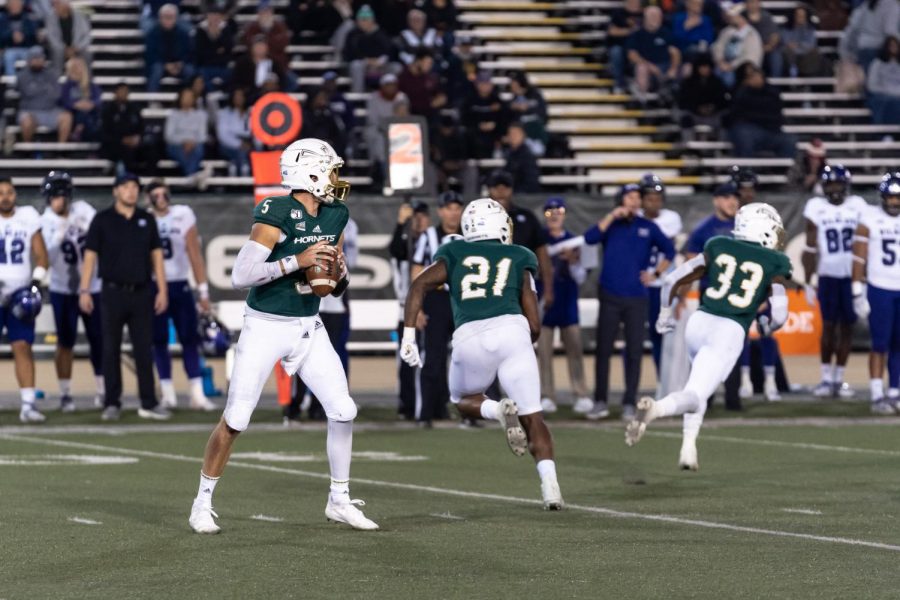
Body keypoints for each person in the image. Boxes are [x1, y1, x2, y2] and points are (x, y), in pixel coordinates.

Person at [188, 138, 378, 534]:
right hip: (266, 325)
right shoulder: (277, 210)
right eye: (330, 169)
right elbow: (241, 275)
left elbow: (332, 287)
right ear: (308, 172)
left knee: (343, 410)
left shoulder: (336, 214)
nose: (336, 177)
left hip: (308, 326)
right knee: (237, 418)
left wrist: (337, 272)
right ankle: (201, 503)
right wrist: (297, 260)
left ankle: (339, 499)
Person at [399, 198, 564, 510]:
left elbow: (418, 286)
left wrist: (408, 335)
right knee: (533, 415)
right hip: (514, 330)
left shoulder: (454, 250)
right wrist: (522, 344)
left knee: (462, 400)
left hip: (471, 335)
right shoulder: (520, 255)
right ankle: (550, 485)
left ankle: (497, 411)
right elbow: (535, 322)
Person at [627, 203, 792, 471]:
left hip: (699, 322)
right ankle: (656, 409)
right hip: (727, 331)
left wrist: (664, 314)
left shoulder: (718, 244)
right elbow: (781, 313)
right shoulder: (775, 262)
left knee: (699, 386)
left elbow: (672, 280)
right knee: (695, 393)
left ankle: (688, 448)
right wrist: (766, 326)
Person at [79, 173, 172, 423]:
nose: (131, 191)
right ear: (115, 191)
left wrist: (162, 289)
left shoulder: (146, 219)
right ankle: (112, 402)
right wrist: (85, 289)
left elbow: (156, 256)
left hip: (142, 291)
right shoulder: (102, 220)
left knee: (144, 348)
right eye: (125, 187)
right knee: (110, 348)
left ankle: (148, 402)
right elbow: (90, 256)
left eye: (134, 187)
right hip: (111, 292)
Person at [584, 183, 674, 421]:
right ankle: (600, 401)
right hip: (610, 295)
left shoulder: (648, 226)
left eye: (637, 197)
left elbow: (670, 250)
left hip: (636, 297)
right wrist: (612, 215)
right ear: (620, 200)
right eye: (630, 197)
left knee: (634, 351)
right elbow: (590, 238)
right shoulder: (611, 223)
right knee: (603, 350)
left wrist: (655, 274)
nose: (634, 201)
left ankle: (629, 402)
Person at [144, 180, 215, 411]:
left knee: (189, 339)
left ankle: (196, 394)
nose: (161, 198)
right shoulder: (144, 219)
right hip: (154, 287)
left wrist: (203, 290)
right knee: (159, 341)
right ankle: (167, 394)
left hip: (180, 284)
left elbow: (194, 253)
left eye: (164, 193)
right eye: (156, 195)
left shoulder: (182, 214)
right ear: (148, 199)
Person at [40, 171, 104, 413]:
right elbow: (45, 258)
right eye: (55, 196)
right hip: (62, 288)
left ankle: (102, 390)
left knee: (98, 341)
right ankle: (65, 393)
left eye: (63, 195)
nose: (60, 200)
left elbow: (99, 234)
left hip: (93, 286)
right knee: (65, 343)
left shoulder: (84, 210)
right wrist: (58, 235)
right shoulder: (44, 222)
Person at [802, 165, 868, 399]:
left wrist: (863, 280)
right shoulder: (816, 207)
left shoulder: (858, 206)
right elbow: (810, 247)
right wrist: (809, 281)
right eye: (830, 184)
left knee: (847, 328)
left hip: (851, 277)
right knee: (828, 326)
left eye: (838, 184)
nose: (834, 189)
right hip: (828, 275)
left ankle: (838, 379)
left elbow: (866, 244)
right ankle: (825, 379)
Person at [288, 217, 358, 423]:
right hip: (306, 303)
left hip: (335, 306)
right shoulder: (299, 219)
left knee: (332, 357)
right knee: (300, 355)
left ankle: (322, 405)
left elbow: (349, 264)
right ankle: (296, 402)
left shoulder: (347, 224)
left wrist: (336, 267)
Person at [409, 190, 464, 426]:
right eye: (448, 208)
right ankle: (426, 413)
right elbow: (417, 272)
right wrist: (417, 308)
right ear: (441, 211)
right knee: (432, 357)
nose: (453, 212)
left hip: (463, 300)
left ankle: (468, 412)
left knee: (468, 357)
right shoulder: (429, 236)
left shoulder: (470, 235)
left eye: (456, 208)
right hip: (437, 298)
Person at [0, 176, 49, 423]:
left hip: (19, 293)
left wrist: (35, 284)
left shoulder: (28, 216)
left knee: (22, 347)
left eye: (9, 192)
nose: (5, 197)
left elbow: (41, 256)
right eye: (1, 193)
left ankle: (28, 404)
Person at [851, 172, 900, 414]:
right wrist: (857, 290)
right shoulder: (869, 218)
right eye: (891, 198)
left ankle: (895, 392)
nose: (894, 203)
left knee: (899, 344)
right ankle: (876, 394)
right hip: (880, 287)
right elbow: (859, 257)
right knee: (879, 344)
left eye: (898, 198)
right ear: (882, 198)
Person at [538, 197, 591, 415]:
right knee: (543, 353)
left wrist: (573, 261)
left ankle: (580, 393)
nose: (555, 215)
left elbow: (581, 277)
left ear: (565, 214)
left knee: (575, 350)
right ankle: (546, 394)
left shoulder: (575, 241)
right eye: (550, 211)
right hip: (544, 303)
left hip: (568, 303)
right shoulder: (540, 241)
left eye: (558, 211)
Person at [486, 170, 553, 308]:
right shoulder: (477, 219)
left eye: (505, 187)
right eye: (496, 187)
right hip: (487, 287)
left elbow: (543, 254)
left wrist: (548, 289)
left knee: (528, 327)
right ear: (489, 190)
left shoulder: (527, 218)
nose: (501, 191)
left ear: (512, 190)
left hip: (522, 286)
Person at [389, 200, 430, 420]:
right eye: (415, 215)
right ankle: (407, 404)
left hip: (431, 308)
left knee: (433, 359)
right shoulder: (404, 243)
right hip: (406, 309)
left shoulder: (432, 241)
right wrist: (400, 223)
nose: (419, 219)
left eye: (422, 215)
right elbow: (396, 249)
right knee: (406, 361)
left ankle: (431, 403)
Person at [638, 174, 682, 375]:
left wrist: (656, 274)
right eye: (649, 198)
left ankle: (667, 377)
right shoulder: (636, 218)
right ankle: (658, 378)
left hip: (664, 284)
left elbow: (663, 241)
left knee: (665, 333)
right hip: (640, 285)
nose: (654, 203)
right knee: (639, 336)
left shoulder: (671, 218)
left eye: (658, 198)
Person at [726, 63, 796, 159]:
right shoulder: (739, 92)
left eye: (756, 74)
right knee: (743, 135)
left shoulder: (772, 92)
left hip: (771, 130)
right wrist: (746, 88)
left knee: (789, 140)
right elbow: (736, 113)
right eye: (750, 76)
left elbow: (776, 113)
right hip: (748, 129)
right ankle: (746, 171)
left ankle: (781, 171)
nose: (755, 78)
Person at [17, 46, 73, 144]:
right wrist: (46, 89)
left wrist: (37, 89)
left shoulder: (51, 74)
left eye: (40, 58)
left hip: (50, 110)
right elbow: (28, 92)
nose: (38, 61)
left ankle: (61, 150)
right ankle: (27, 150)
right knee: (26, 122)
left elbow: (56, 94)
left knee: (66, 117)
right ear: (29, 60)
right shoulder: (22, 76)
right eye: (35, 58)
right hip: (30, 111)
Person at [626, 6, 681, 95]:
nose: (655, 18)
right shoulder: (637, 34)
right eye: (652, 16)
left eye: (658, 16)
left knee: (683, 70)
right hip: (647, 67)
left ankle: (669, 98)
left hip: (664, 66)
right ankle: (642, 98)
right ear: (645, 17)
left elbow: (675, 52)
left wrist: (673, 69)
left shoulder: (666, 33)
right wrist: (649, 66)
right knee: (641, 68)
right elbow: (632, 54)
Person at [677, 53, 729, 139]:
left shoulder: (717, 83)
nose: (706, 69)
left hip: (714, 115)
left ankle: (723, 146)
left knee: (726, 118)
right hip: (694, 114)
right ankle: (687, 144)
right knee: (685, 118)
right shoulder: (688, 83)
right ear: (697, 68)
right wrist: (697, 109)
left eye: (708, 67)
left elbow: (723, 100)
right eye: (703, 67)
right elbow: (683, 101)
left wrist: (713, 108)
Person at [343, 4, 394, 93]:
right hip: (362, 64)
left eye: (367, 19)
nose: (364, 22)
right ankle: (357, 94)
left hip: (380, 65)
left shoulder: (381, 33)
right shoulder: (352, 34)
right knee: (356, 65)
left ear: (373, 20)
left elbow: (389, 50)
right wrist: (366, 60)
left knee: (396, 67)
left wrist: (380, 61)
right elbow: (349, 53)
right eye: (362, 20)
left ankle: (390, 95)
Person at [839, 0, 900, 73]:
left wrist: (845, 51)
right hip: (881, 51)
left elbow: (852, 28)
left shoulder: (865, 5)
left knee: (868, 82)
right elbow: (890, 31)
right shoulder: (891, 4)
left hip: (864, 48)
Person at [144, 4, 195, 92]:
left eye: (171, 17)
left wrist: (180, 63)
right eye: (165, 17)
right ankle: (152, 99)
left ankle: (187, 98)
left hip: (178, 64)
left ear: (176, 18)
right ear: (160, 18)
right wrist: (165, 65)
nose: (168, 20)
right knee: (156, 69)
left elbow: (189, 52)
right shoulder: (152, 33)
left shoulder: (183, 33)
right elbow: (150, 54)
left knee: (190, 70)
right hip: (160, 64)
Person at [711, 5, 763, 88]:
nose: (733, 17)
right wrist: (720, 61)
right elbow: (718, 47)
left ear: (742, 18)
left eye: (736, 16)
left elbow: (750, 56)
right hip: (723, 65)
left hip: (740, 69)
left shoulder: (752, 34)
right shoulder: (727, 31)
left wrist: (732, 66)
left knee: (729, 78)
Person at [101, 82, 145, 175]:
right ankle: (126, 178)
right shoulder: (107, 110)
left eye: (126, 92)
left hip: (134, 143)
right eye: (121, 91)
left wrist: (137, 138)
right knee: (125, 151)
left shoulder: (134, 109)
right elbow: (104, 133)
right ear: (115, 93)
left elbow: (141, 127)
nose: (123, 94)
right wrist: (122, 140)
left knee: (150, 150)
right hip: (114, 144)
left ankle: (147, 177)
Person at [165, 87, 208, 178]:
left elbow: (202, 136)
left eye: (190, 97)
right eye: (185, 97)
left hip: (195, 144)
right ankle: (193, 176)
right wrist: (184, 142)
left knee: (198, 149)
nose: (187, 99)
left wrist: (191, 142)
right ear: (180, 98)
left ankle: (189, 177)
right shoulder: (173, 114)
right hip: (176, 144)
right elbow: (168, 136)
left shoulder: (201, 115)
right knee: (179, 150)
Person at [464, 71, 508, 159]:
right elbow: (465, 119)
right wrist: (479, 126)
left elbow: (504, 119)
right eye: (482, 83)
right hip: (475, 135)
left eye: (487, 83)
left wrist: (495, 126)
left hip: (494, 135)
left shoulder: (497, 101)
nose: (485, 86)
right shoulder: (469, 101)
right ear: (477, 84)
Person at [194, 3, 236, 90]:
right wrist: (218, 49)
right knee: (201, 75)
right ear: (208, 16)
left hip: (222, 66)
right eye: (212, 15)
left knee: (232, 74)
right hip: (205, 66)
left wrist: (219, 36)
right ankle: (210, 95)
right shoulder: (201, 29)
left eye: (217, 15)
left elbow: (229, 49)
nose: (215, 18)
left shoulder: (225, 29)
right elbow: (200, 52)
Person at [58, 56, 101, 142]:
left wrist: (91, 104)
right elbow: (63, 100)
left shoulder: (91, 85)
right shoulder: (66, 85)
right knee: (81, 114)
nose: (77, 69)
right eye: (75, 67)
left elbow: (98, 99)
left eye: (79, 67)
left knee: (90, 116)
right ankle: (79, 129)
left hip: (90, 112)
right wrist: (76, 104)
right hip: (74, 113)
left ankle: (79, 130)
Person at [44, 0, 92, 74]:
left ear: (66, 5)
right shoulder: (50, 18)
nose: (55, 7)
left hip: (77, 48)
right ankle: (56, 80)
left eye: (57, 4)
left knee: (87, 54)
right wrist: (64, 49)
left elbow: (86, 36)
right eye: (54, 5)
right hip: (60, 48)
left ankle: (87, 81)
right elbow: (52, 38)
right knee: (57, 53)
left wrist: (77, 48)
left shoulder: (80, 16)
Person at [607, 0, 644, 93]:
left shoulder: (644, 13)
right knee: (616, 52)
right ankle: (619, 83)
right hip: (621, 46)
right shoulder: (618, 13)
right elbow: (612, 31)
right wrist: (631, 31)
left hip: (639, 46)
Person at [780, 4, 826, 77]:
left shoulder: (810, 29)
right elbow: (787, 43)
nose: (800, 18)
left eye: (803, 16)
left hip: (806, 56)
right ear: (794, 16)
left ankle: (808, 78)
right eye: (798, 15)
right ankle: (792, 74)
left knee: (814, 53)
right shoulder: (786, 28)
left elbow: (811, 44)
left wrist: (798, 45)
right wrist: (801, 46)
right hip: (790, 56)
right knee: (787, 51)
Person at [215, 87, 251, 177]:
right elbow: (222, 135)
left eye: (241, 96)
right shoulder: (224, 113)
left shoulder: (251, 112)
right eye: (236, 96)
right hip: (228, 144)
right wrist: (239, 144)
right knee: (240, 153)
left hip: (248, 142)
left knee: (257, 151)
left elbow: (256, 131)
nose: (238, 98)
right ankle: (241, 179)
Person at [866, 36, 900, 129]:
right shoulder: (877, 63)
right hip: (882, 95)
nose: (894, 48)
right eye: (891, 46)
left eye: (895, 46)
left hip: (898, 95)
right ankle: (885, 133)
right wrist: (888, 91)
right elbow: (872, 85)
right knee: (886, 103)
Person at [670, 0, 715, 67]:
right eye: (696, 4)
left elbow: (709, 38)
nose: (699, 6)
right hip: (685, 49)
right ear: (688, 5)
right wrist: (686, 28)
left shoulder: (705, 19)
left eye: (701, 4)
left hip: (702, 49)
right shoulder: (679, 18)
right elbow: (676, 39)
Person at [744, 0, 782, 77]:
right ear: (746, 4)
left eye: (754, 2)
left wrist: (770, 46)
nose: (752, 5)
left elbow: (775, 35)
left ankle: (774, 84)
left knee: (776, 57)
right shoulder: (742, 17)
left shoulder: (766, 17)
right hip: (747, 49)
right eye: (750, 2)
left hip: (766, 47)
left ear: (758, 4)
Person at [0, 0, 38, 76]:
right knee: (9, 56)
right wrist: (11, 36)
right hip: (9, 48)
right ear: (8, 6)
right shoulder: (2, 18)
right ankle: (11, 82)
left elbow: (33, 34)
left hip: (26, 48)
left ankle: (27, 79)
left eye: (17, 4)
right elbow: (1, 35)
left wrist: (23, 36)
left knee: (31, 55)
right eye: (13, 4)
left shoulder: (28, 16)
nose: (16, 6)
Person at [503, 123, 541, 194]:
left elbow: (531, 182)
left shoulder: (527, 156)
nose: (513, 137)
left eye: (516, 134)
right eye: (510, 134)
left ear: (523, 135)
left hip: (523, 196)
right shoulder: (509, 154)